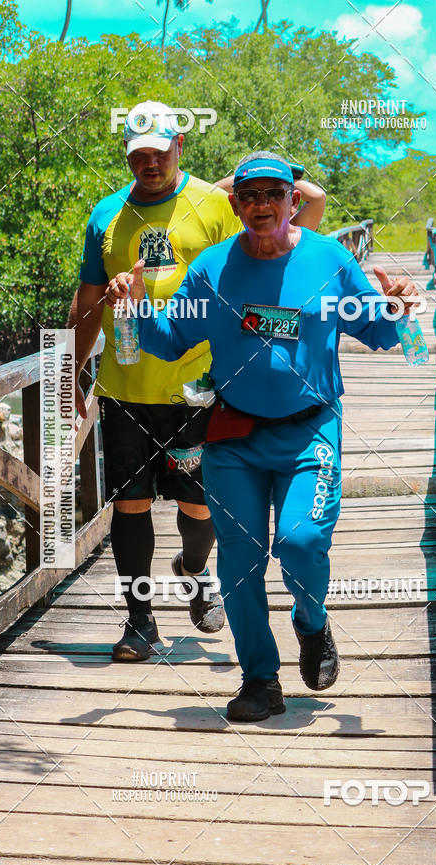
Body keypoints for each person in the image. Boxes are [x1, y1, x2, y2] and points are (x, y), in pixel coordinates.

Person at [111, 150, 420, 719]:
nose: (260, 205)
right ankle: (259, 680)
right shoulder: (212, 269)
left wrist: (399, 307)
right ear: (235, 204)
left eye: (272, 195)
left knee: (301, 542)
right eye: (249, 196)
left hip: (310, 432)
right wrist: (131, 308)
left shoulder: (329, 260)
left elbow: (379, 331)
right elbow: (169, 339)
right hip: (234, 435)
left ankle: (313, 621)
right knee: (239, 561)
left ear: (292, 202)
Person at [70, 107, 328, 664]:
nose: (150, 163)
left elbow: (278, 247)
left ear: (179, 144)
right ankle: (139, 620)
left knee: (199, 507)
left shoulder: (218, 205)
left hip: (204, 386)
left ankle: (195, 572)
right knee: (130, 503)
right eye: (138, 154)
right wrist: (70, 374)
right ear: (126, 154)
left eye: (160, 151)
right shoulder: (107, 216)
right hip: (127, 383)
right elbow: (87, 299)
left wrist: (283, 329)